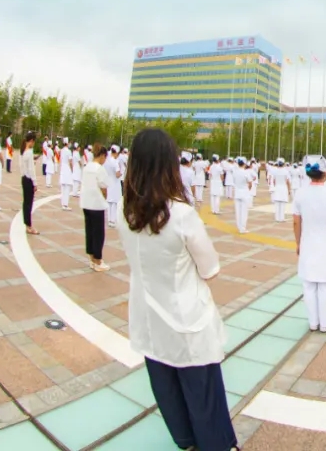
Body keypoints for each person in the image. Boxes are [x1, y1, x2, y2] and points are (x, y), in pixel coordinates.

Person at [118, 128, 238, 451]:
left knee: (166, 388)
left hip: (147, 317)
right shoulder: (181, 214)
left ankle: (186, 441)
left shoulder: (124, 211)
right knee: (203, 392)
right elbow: (210, 269)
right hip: (186, 320)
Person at [293, 155, 326, 332]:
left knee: (308, 285)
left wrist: (298, 242)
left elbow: (296, 222)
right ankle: (325, 323)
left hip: (307, 243)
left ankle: (313, 322)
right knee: (324, 286)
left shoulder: (300, 194)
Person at [81, 144, 112, 271]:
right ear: (103, 155)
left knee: (89, 231)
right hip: (96, 204)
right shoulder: (99, 169)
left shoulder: (87, 167)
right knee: (98, 233)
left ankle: (91, 258)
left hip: (86, 203)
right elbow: (104, 187)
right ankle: (98, 260)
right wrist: (104, 197)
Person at [20, 132, 39, 235]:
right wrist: (35, 183)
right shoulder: (29, 152)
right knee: (29, 204)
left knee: (26, 203)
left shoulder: (23, 151)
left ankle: (27, 224)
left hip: (24, 178)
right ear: (31, 141)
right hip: (28, 180)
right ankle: (29, 226)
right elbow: (31, 170)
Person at [232, 156, 254, 233]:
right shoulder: (246, 173)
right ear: (244, 164)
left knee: (238, 211)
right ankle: (243, 228)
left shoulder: (235, 172)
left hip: (237, 192)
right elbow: (250, 183)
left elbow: (234, 181)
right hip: (244, 193)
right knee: (244, 212)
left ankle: (239, 227)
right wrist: (248, 189)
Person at [104, 145, 123, 229]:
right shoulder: (115, 162)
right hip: (115, 183)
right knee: (114, 203)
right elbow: (117, 174)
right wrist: (122, 172)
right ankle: (113, 220)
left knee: (109, 202)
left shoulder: (107, 161)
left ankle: (109, 220)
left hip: (108, 182)